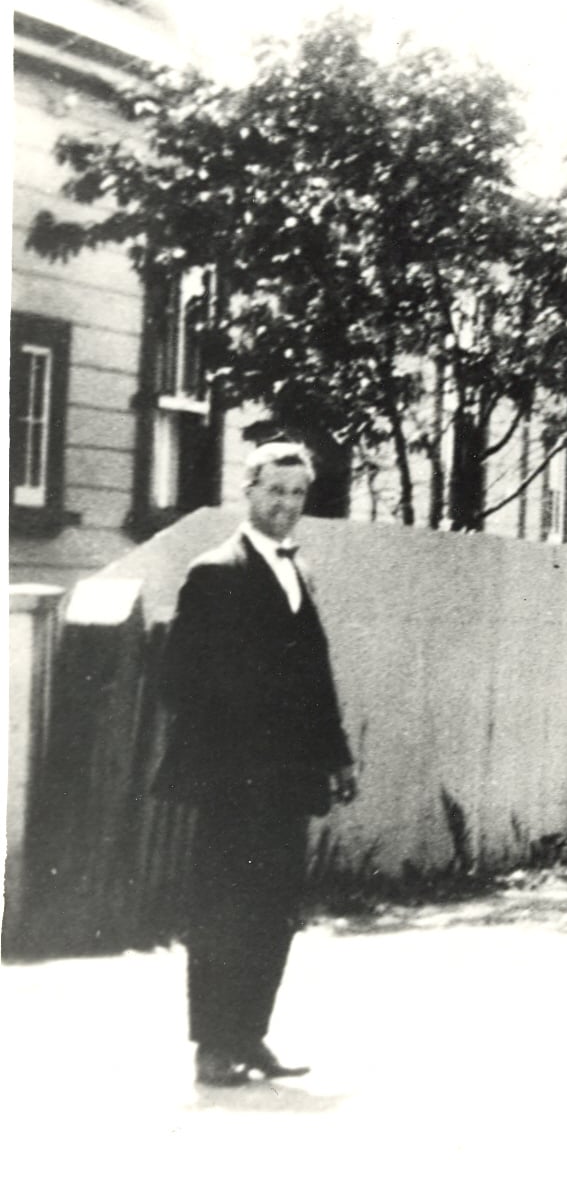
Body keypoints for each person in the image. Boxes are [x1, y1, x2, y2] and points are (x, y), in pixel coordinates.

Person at [151, 440, 359, 1088]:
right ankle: (213, 1045)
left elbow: (316, 676)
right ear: (247, 491)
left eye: (297, 493)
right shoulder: (215, 572)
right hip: (233, 776)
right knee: (222, 904)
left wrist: (336, 756)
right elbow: (176, 679)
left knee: (273, 906)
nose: (285, 505)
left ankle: (250, 1033)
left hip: (289, 776)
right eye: (274, 491)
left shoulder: (300, 573)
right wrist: (239, 731)